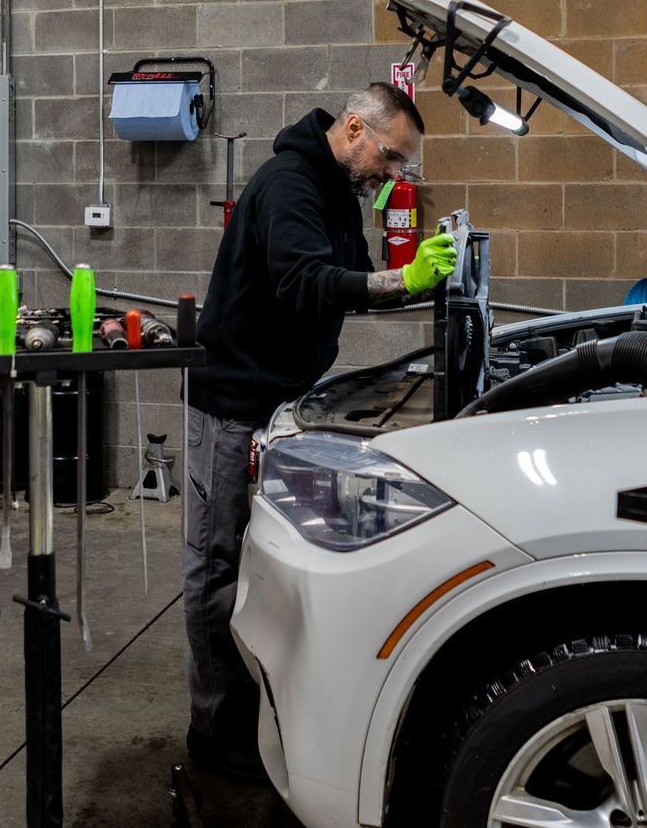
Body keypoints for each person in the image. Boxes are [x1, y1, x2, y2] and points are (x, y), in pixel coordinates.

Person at [182, 82, 459, 783]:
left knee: (262, 565)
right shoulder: (288, 183)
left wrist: (413, 280)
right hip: (234, 403)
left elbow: (349, 279)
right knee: (217, 571)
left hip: (281, 400)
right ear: (355, 126)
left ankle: (261, 715)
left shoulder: (338, 192)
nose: (392, 174)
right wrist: (403, 282)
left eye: (401, 165)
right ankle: (216, 734)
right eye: (391, 156)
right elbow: (306, 281)